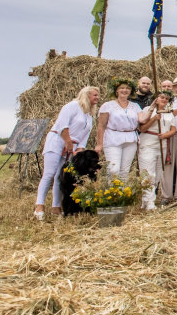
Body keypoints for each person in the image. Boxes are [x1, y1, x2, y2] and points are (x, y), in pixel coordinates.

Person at [34, 86, 99, 220]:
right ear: (87, 95)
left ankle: (56, 206)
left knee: (61, 175)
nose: (97, 98)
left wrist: (78, 151)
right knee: (49, 173)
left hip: (72, 147)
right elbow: (63, 126)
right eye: (95, 95)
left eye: (98, 95)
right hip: (58, 141)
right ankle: (39, 205)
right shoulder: (72, 106)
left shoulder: (89, 116)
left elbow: (84, 137)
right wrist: (68, 143)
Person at [137, 90, 176, 210]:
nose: (164, 100)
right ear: (156, 99)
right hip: (149, 142)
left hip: (162, 143)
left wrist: (166, 135)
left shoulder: (169, 112)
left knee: (158, 173)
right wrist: (154, 118)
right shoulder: (148, 110)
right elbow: (142, 128)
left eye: (166, 99)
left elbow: (173, 129)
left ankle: (148, 199)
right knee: (148, 173)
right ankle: (149, 202)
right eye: (162, 97)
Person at [96, 78, 142, 177]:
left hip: (130, 139)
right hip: (113, 138)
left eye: (128, 88)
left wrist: (152, 109)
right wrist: (99, 144)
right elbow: (101, 125)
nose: (124, 90)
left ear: (131, 91)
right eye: (122, 88)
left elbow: (142, 121)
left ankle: (122, 192)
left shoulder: (135, 106)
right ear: (116, 90)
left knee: (124, 171)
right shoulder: (107, 106)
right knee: (113, 170)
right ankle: (112, 191)